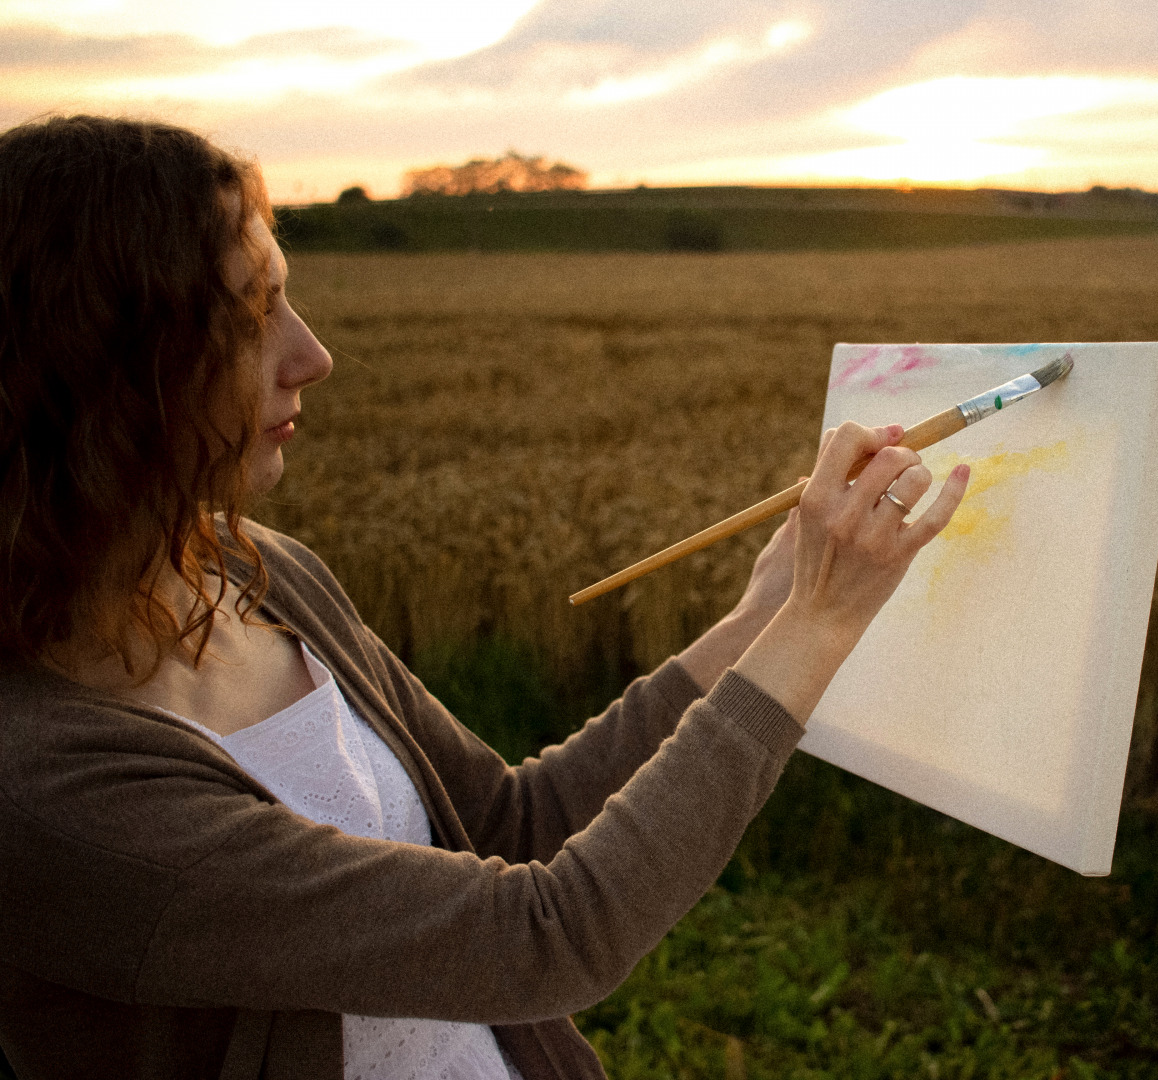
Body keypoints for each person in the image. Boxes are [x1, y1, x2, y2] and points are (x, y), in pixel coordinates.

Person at [0, 115, 969, 1079]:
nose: (313, 356)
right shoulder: (43, 785)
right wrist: (819, 625)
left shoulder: (259, 572)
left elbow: (508, 827)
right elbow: (545, 938)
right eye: (251, 318)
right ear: (99, 369)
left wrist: (761, 618)